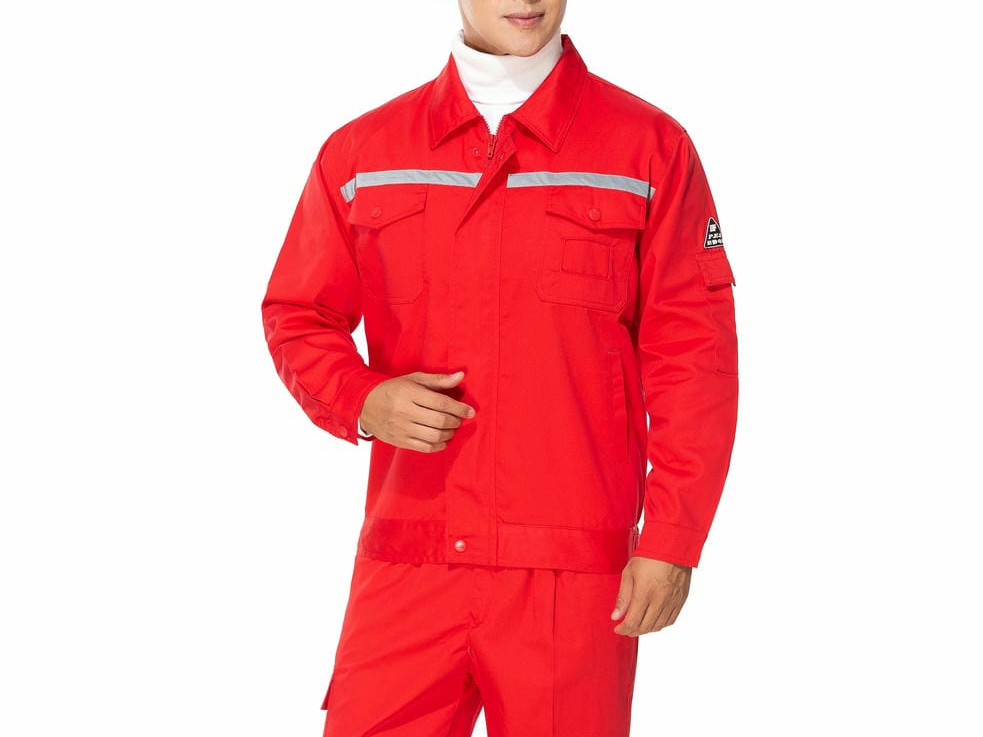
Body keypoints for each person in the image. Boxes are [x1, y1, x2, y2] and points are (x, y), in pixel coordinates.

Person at [261, 1, 738, 734]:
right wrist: (361, 399)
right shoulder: (364, 151)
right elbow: (298, 312)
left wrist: (672, 539)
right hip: (410, 554)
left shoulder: (647, 148)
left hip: (573, 572)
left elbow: (693, 358)